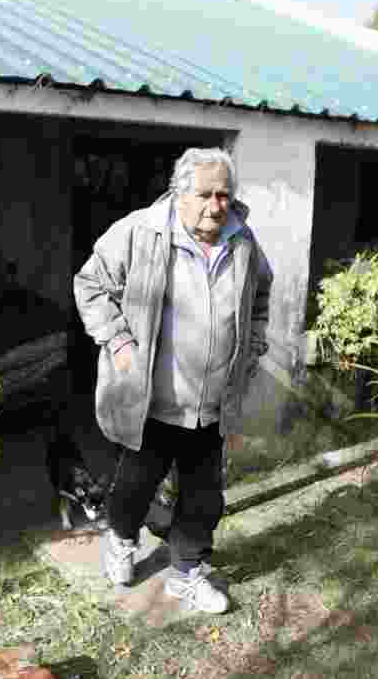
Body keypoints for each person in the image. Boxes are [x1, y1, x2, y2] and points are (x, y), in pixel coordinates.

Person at [72, 147, 272, 615]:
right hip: (154, 400)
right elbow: (91, 284)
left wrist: (254, 348)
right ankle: (121, 541)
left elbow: (260, 297)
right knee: (134, 488)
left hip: (213, 403)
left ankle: (186, 574)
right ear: (181, 193)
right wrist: (118, 342)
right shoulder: (140, 231)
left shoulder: (243, 242)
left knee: (205, 498)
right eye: (205, 194)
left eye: (224, 195)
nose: (216, 205)